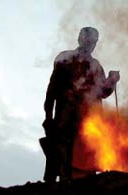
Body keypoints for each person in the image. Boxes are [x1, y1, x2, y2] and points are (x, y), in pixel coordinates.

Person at [42, 27, 120, 182]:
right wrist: (48, 115)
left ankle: (85, 181)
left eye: (94, 41)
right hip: (66, 113)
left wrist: (111, 80)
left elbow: (102, 92)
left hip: (88, 117)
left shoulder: (96, 66)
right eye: (88, 39)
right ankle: (64, 179)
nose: (91, 43)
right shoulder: (65, 58)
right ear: (80, 39)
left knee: (86, 149)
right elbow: (52, 89)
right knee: (63, 146)